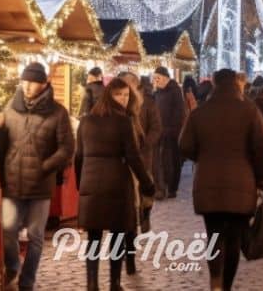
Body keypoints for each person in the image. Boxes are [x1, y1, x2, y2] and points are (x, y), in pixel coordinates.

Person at [179, 69, 263, 291]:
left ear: (213, 83)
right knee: (233, 240)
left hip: (208, 186)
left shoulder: (200, 113)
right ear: (237, 84)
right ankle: (226, 286)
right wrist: (261, 179)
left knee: (214, 236)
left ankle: (215, 281)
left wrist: (202, 157)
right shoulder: (250, 111)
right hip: (242, 186)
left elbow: (184, 145)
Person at [0, 63, 74, 291]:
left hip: (40, 185)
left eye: (33, 82)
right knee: (7, 229)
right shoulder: (11, 108)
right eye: (25, 81)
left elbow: (67, 148)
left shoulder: (58, 113)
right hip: (12, 182)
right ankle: (13, 268)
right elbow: (2, 143)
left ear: (44, 84)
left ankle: (27, 281)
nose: (27, 86)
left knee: (36, 236)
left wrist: (45, 166)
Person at [75, 78, 156, 291]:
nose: (123, 99)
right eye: (119, 94)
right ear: (109, 96)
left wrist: (80, 184)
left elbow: (78, 158)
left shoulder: (86, 121)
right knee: (117, 235)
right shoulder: (123, 122)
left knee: (94, 236)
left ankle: (92, 283)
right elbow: (133, 157)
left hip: (91, 182)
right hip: (117, 184)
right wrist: (147, 183)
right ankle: (114, 283)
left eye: (126, 95)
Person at [117, 71, 161, 273]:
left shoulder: (148, 104)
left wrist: (144, 145)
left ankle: (144, 216)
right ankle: (128, 250)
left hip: (142, 159)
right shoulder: (117, 106)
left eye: (127, 86)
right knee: (127, 207)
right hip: (121, 163)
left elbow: (156, 129)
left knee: (144, 198)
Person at [152, 66, 187, 199]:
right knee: (161, 161)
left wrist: (172, 129)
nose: (156, 81)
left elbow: (179, 112)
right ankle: (163, 186)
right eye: (154, 78)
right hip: (161, 131)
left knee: (172, 160)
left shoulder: (174, 90)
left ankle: (172, 188)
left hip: (172, 132)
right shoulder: (158, 92)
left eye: (158, 78)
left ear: (166, 78)